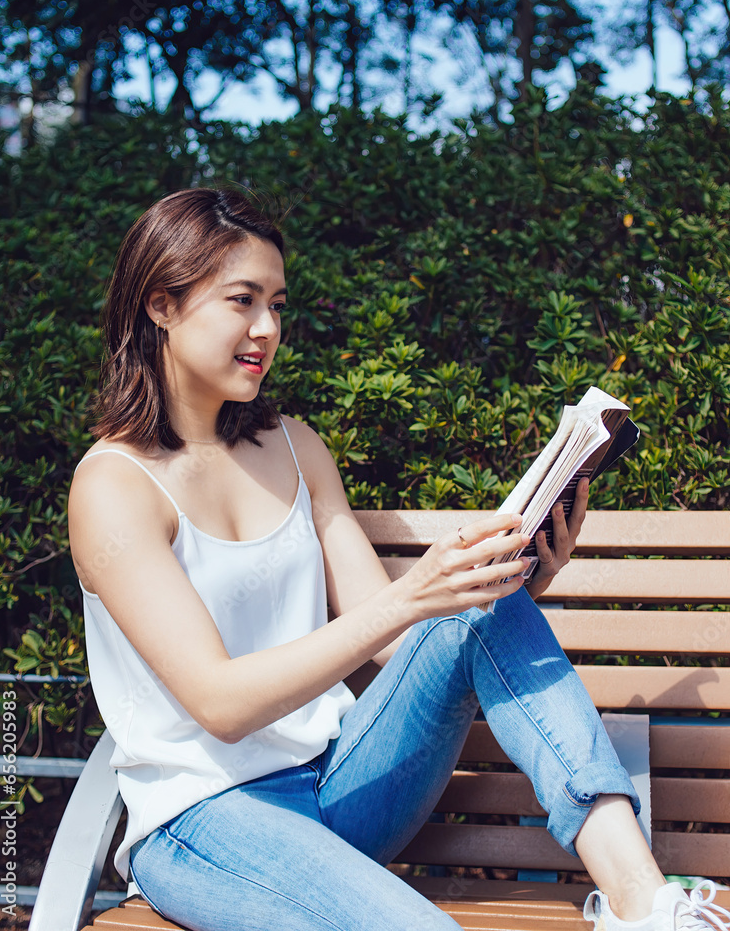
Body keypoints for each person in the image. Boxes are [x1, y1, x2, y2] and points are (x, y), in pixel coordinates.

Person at [68, 188, 729, 931]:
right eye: (241, 301)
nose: (266, 329)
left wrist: (517, 576)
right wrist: (413, 594)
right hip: (203, 821)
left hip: (341, 784)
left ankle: (640, 902)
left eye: (278, 305)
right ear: (161, 305)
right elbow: (220, 705)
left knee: (480, 612)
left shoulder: (294, 446)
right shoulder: (114, 486)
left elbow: (390, 641)